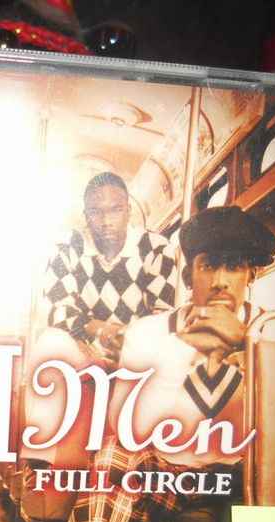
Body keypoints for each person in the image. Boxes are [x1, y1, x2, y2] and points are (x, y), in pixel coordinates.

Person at [25, 205, 275, 522]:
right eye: (209, 265)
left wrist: (240, 351)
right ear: (190, 274)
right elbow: (127, 425)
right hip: (162, 473)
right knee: (111, 465)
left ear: (250, 273)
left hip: (237, 478)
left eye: (233, 266)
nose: (221, 280)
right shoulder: (148, 333)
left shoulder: (271, 336)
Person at [21, 171, 178, 470]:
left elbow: (163, 314)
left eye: (115, 210)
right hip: (84, 348)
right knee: (51, 341)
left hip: (136, 350)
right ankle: (40, 456)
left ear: (129, 211)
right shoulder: (68, 247)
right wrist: (100, 330)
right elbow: (57, 310)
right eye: (96, 211)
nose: (106, 221)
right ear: (85, 215)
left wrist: (128, 340)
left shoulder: (156, 247)